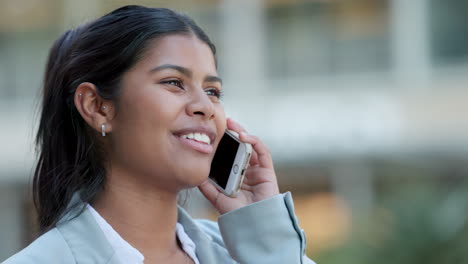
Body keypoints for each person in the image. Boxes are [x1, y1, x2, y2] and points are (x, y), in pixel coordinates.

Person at [3, 5, 315, 264]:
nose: (205, 107)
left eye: (212, 90)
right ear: (97, 107)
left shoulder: (250, 251)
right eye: (173, 82)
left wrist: (263, 233)